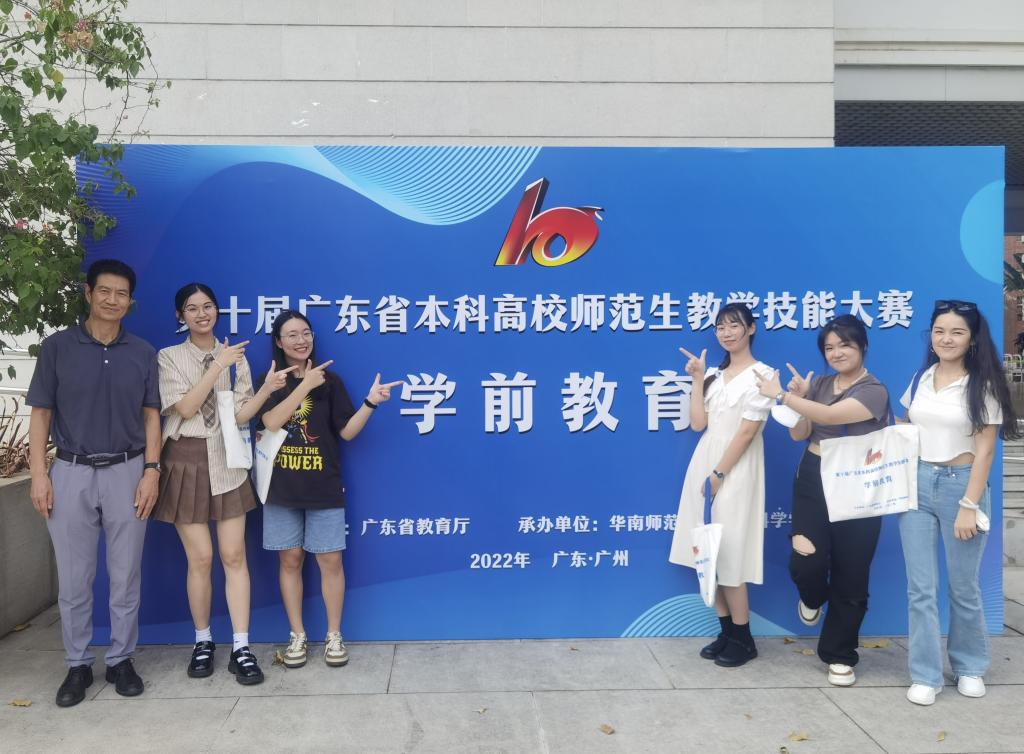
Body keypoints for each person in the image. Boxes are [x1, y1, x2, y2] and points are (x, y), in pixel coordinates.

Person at [27, 259, 161, 707]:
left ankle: (121, 659)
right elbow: (41, 414)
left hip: (128, 471)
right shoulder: (57, 348)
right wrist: (40, 475)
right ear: (88, 293)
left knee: (125, 575)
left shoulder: (142, 352)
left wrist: (152, 471)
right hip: (71, 471)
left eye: (121, 294)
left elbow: (152, 417)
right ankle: (78, 664)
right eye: (104, 291)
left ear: (130, 301)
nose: (112, 300)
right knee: (74, 579)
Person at [154, 283, 295, 684]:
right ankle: (202, 642)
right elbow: (185, 407)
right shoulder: (169, 356)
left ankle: (241, 647)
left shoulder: (237, 357)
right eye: (192, 308)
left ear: (217, 310)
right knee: (200, 558)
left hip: (227, 461)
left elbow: (240, 416)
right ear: (180, 316)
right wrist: (218, 364)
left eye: (208, 306)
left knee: (234, 557)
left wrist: (266, 389)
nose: (202, 314)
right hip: (185, 460)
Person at [257, 310, 401, 668]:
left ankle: (334, 635)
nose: (301, 340)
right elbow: (271, 422)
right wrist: (304, 386)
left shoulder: (331, 382)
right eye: (292, 334)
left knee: (330, 560)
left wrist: (371, 402)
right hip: (281, 489)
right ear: (278, 342)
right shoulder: (271, 381)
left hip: (324, 487)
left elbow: (347, 432)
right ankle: (297, 635)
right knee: (290, 560)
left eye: (306, 333)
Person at [755, 314, 889, 687]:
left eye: (844, 344)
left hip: (860, 484)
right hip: (814, 477)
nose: (836, 353)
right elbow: (800, 434)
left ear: (862, 346)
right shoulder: (821, 384)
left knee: (852, 571)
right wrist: (800, 401)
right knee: (805, 560)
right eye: (829, 348)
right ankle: (813, 598)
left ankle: (840, 654)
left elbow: (831, 415)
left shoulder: (874, 390)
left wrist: (783, 396)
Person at [899, 300, 1020, 705]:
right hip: (916, 484)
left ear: (972, 340)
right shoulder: (921, 378)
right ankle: (925, 674)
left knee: (963, 585)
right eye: (939, 331)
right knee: (920, 588)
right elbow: (905, 427)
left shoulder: (982, 384)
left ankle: (969, 666)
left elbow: (985, 451)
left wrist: (970, 504)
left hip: (962, 485)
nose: (946, 339)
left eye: (956, 332)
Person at [669, 303, 773, 667]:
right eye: (720, 327)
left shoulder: (764, 375)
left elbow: (747, 433)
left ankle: (744, 639)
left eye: (734, 325)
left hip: (735, 468)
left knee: (730, 553)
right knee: (707, 552)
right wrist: (698, 379)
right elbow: (698, 424)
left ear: (751, 329)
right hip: (705, 461)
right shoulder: (714, 374)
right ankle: (726, 632)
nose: (726, 333)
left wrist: (719, 474)